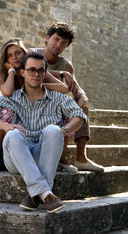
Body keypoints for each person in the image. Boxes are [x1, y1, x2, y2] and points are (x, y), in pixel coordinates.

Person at [0, 52, 87, 213]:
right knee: (13, 134)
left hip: (42, 155)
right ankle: (46, 193)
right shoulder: (12, 97)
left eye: (40, 70)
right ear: (23, 72)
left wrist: (64, 130)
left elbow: (79, 115)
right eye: (31, 70)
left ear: (45, 73)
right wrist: (6, 126)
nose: (36, 74)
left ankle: (39, 195)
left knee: (54, 130)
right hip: (16, 157)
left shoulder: (57, 98)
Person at [0, 38, 70, 173]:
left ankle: (62, 158)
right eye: (10, 55)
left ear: (24, 53)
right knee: (3, 113)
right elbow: (7, 92)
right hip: (14, 105)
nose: (14, 57)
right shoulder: (5, 73)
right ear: (6, 59)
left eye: (18, 53)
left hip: (36, 101)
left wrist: (36, 83)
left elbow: (64, 88)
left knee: (65, 113)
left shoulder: (35, 69)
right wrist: (12, 72)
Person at [30, 21, 104, 172]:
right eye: (56, 39)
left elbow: (75, 88)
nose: (58, 44)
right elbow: (33, 73)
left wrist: (83, 97)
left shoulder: (66, 65)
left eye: (63, 43)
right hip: (33, 99)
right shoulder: (32, 54)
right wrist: (62, 74)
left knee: (81, 106)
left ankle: (81, 158)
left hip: (56, 103)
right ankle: (60, 158)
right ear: (48, 38)